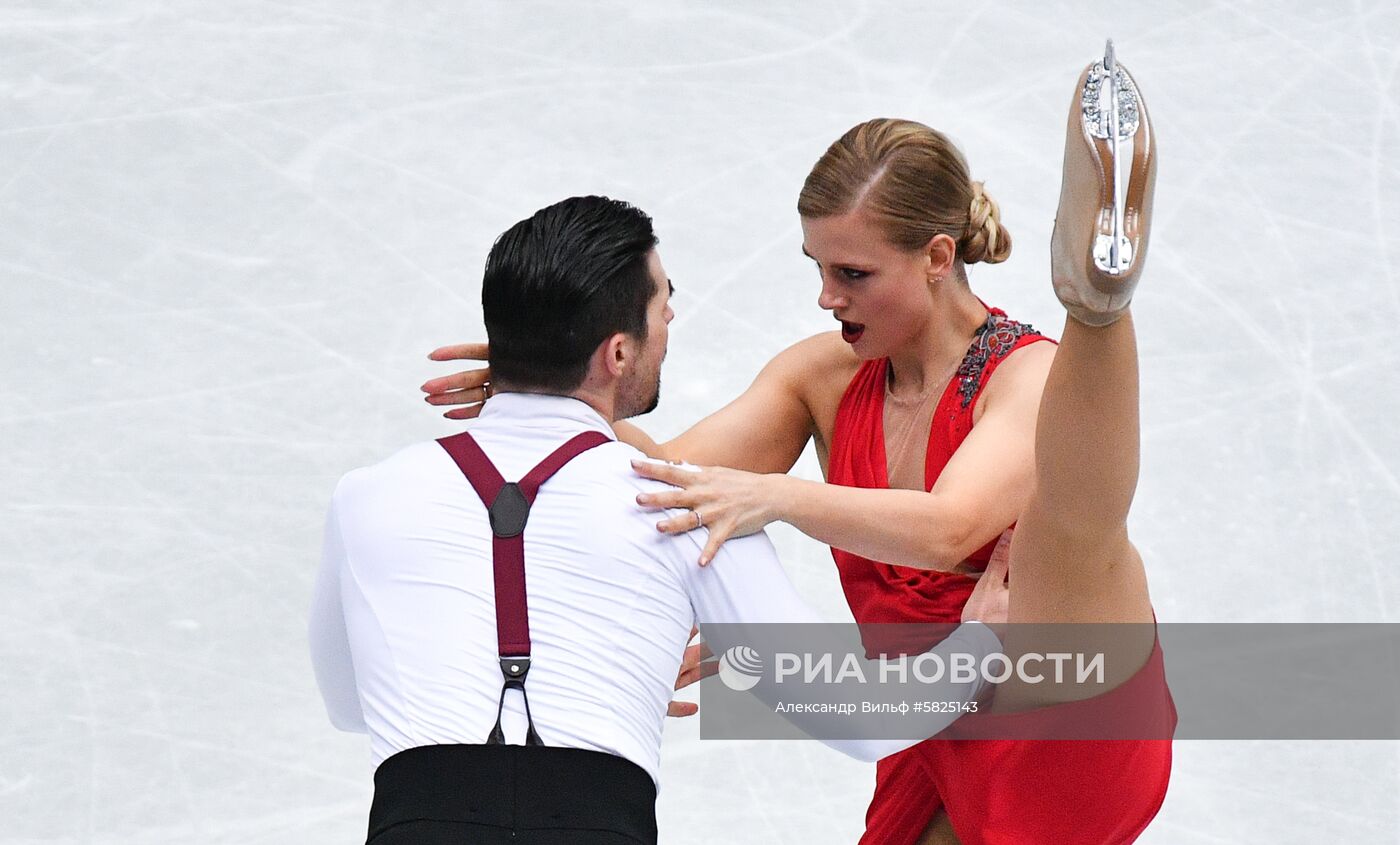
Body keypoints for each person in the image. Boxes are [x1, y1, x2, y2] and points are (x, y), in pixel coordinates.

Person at [420, 45, 1174, 845]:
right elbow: (663, 474)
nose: (826, 296)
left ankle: (1097, 301)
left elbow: (950, 528)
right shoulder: (824, 375)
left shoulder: (1020, 379)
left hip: (1065, 705)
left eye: (852, 273)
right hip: (930, 717)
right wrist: (544, 382)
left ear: (938, 258)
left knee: (1071, 531)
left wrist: (778, 496)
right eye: (817, 267)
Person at [309, 195, 1008, 845]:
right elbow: (857, 715)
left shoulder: (365, 496)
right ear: (617, 353)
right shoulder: (691, 504)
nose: (670, 317)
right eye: (662, 305)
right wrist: (980, 644)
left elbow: (348, 703)